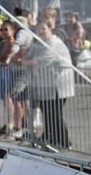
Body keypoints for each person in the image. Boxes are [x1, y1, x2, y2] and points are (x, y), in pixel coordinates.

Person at [23, 21, 74, 149]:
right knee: (46, 112)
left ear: (50, 29)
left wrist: (25, 61)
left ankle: (64, 142)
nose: (40, 31)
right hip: (46, 85)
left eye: (43, 28)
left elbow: (43, 60)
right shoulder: (38, 43)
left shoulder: (54, 43)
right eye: (38, 29)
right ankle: (50, 138)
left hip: (59, 86)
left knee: (54, 114)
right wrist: (25, 56)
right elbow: (28, 55)